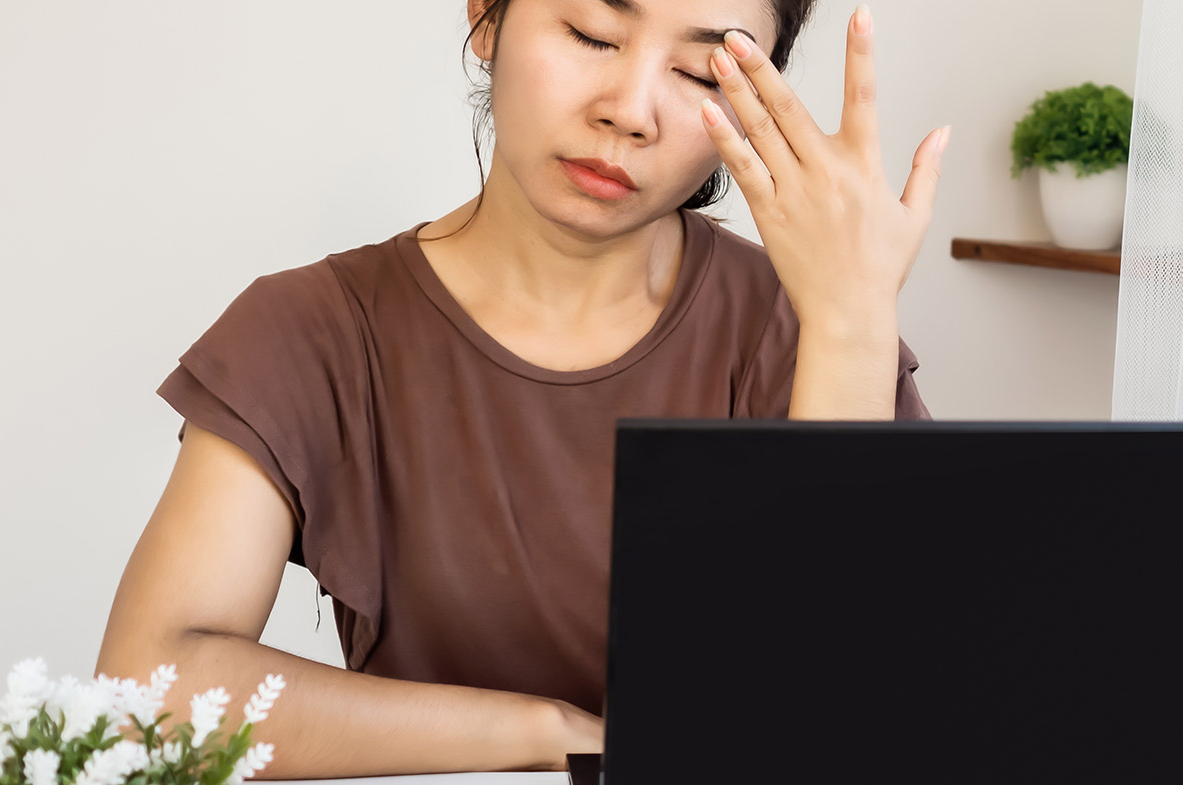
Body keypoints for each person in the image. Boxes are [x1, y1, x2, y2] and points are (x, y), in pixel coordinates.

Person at [94, 0, 950, 777]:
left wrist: (848, 323)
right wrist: (552, 733)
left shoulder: (810, 327)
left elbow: (875, 715)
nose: (631, 110)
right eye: (591, 35)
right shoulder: (314, 330)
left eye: (697, 72)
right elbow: (146, 693)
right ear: (486, 17)